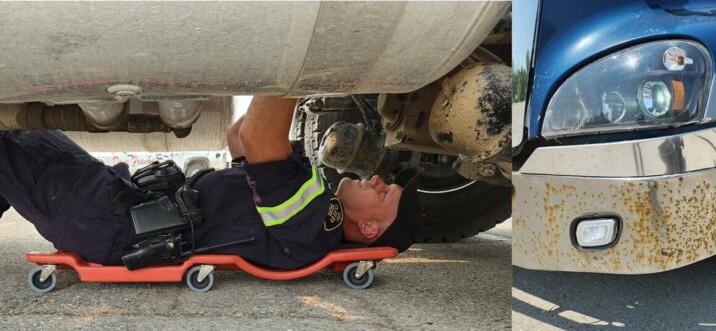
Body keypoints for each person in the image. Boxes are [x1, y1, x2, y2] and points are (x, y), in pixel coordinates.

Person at [0, 96, 422, 270]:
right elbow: (242, 136)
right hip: (114, 210)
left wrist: (299, 65)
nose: (378, 179)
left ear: (369, 230)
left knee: (11, 134)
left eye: (385, 194)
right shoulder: (305, 208)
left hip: (107, 221)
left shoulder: (317, 221)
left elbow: (258, 136)